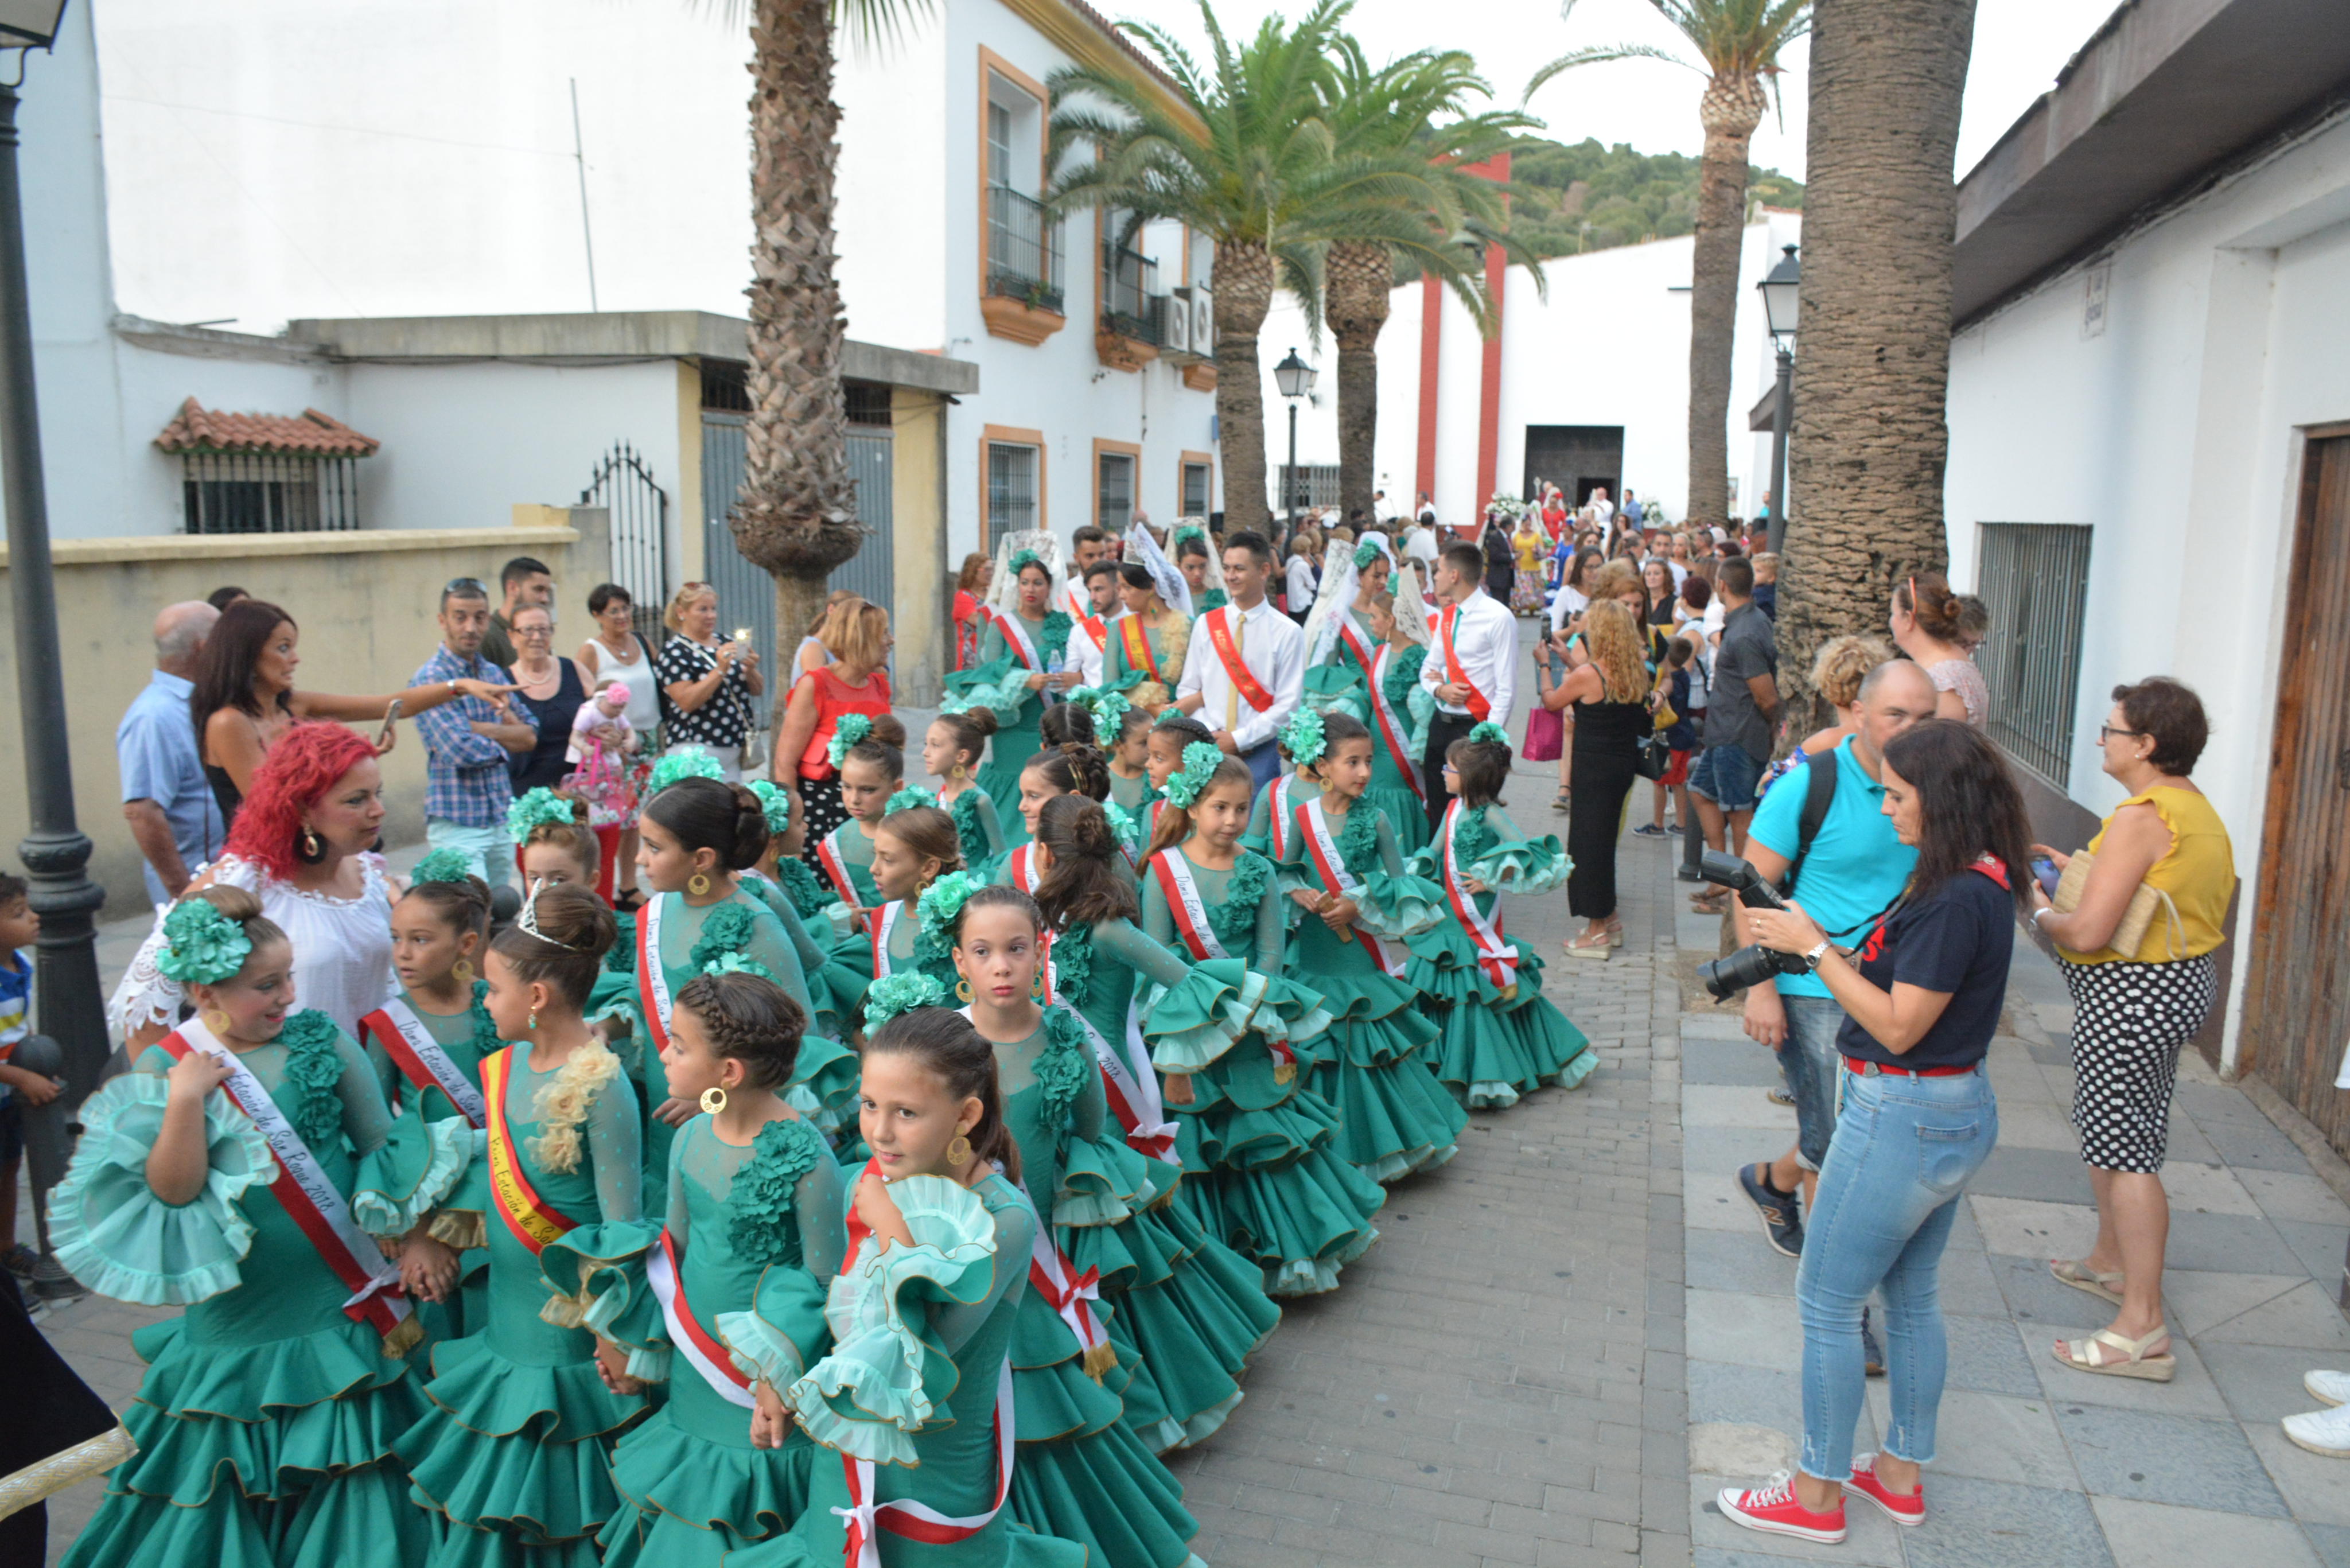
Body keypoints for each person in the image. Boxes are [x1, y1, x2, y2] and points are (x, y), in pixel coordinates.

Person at [52, 885, 466, 1568]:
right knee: (222, 1470)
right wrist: (186, 1100)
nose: (286, 997)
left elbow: (382, 1143)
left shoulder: (321, 1040)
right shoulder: (165, 1065)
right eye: (265, 987)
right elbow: (174, 1191)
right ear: (204, 992)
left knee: (355, 1465)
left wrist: (418, 1234)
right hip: (238, 1313)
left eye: (288, 979)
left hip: (335, 1303)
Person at [1718, 719, 2028, 1544]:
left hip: (1905, 1115)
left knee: (1826, 1301)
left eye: (1896, 796)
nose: (1886, 808)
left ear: (1942, 800)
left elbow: (1897, 1025)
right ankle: (1898, 1476)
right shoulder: (1975, 877)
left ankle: (1816, 1494)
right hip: (1947, 1110)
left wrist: (1814, 948)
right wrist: (1811, 947)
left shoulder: (1954, 897)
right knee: (1911, 1294)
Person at [751, 1007, 1090, 1568]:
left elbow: (916, 1359)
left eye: (906, 1112)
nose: (880, 1132)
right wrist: (778, 1374)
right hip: (847, 1452)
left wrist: (888, 1224)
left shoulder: (1003, 1219)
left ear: (966, 1114)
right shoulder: (869, 1179)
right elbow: (829, 1296)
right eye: (869, 1105)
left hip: (936, 1472)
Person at [939, 886, 1207, 1568]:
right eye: (982, 952)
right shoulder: (941, 1044)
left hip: (1042, 1250)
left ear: (1041, 952)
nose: (1001, 966)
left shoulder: (1064, 1033)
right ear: (959, 961)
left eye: (1016, 949)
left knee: (1045, 1389)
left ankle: (1067, 1524)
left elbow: (1089, 1131)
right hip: (960, 1253)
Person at [395, 882, 653, 1566]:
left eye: (493, 989)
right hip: (506, 1322)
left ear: (535, 997)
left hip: (573, 1343)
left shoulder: (603, 1086)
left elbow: (622, 1229)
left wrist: (613, 1336)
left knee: (564, 1497)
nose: (484, 1001)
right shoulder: (501, 1067)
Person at [1024, 793, 1282, 1450]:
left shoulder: (1110, 931)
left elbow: (1189, 982)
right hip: (1064, 1094)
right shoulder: (1055, 923)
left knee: (1125, 1246)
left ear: (1048, 855)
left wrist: (1176, 1058)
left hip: (1110, 1097)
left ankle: (1162, 1381)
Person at [596, 972, 846, 1567]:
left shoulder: (809, 1160)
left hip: (765, 1394)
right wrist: (631, 1344)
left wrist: (779, 1378)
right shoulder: (691, 1137)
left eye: (679, 1046)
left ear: (728, 1072)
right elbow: (672, 1259)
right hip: (694, 1378)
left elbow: (826, 1288)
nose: (664, 1055)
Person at [2028, 678, 2234, 1382]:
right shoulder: (2191, 808)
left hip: (2131, 995)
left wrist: (2040, 910)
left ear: (2144, 745)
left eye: (2111, 730)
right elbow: (2156, 893)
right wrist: (2073, 871)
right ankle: (2111, 1262)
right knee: (2114, 1131)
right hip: (2172, 987)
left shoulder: (2142, 817)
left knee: (2128, 1151)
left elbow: (2087, 932)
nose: (2101, 740)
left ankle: (2141, 1326)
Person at [1138, 749, 1386, 1292]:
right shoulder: (1163, 870)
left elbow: (1272, 951)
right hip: (1190, 1033)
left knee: (1263, 1136)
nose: (1231, 820)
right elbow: (1159, 955)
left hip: (1251, 1026)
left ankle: (1283, 1248)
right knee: (1199, 1143)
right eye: (1219, 807)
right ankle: (1211, 1268)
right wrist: (1201, 1014)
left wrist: (1249, 1004)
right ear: (1192, 806)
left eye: (1241, 808)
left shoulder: (1258, 868)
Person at [1731, 659, 1939, 1262]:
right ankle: (1834, 1293)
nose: (1912, 729)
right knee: (1839, 1146)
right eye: (1896, 714)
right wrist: (1761, 989)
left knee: (1858, 1130)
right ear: (1858, 713)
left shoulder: (1940, 788)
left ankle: (1772, 1181)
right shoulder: (1809, 784)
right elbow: (1751, 888)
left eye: (1925, 717)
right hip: (1815, 992)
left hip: (1903, 991)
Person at [112, 722, 398, 1043]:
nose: (378, 810)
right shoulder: (244, 880)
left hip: (365, 1070)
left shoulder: (367, 874)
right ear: (302, 809)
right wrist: (171, 1076)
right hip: (276, 1072)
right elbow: (144, 1003)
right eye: (356, 800)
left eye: (377, 794)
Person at [1270, 712, 1466, 1180]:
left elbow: (1401, 884)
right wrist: (1300, 892)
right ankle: (1323, 1146)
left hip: (1357, 953)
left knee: (1365, 1039)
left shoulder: (1376, 818)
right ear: (1323, 765)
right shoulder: (1303, 816)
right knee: (1319, 1040)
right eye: (1352, 762)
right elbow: (1285, 872)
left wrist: (1357, 903)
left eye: (1369, 761)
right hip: (1315, 950)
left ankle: (1382, 1142)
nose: (1364, 772)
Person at [625, 775, 819, 1213]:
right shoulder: (654, 912)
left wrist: (714, 1097)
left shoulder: (757, 925)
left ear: (702, 858)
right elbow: (644, 998)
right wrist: (609, 1025)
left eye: (654, 847)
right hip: (665, 1113)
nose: (639, 859)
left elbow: (799, 1041)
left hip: (734, 1123)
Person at [192, 593, 511, 827]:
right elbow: (271, 807)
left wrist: (459, 686)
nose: (296, 658)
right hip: (268, 861)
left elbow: (393, 705)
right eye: (283, 648)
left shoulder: (294, 705)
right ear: (248, 656)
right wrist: (342, 756)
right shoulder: (228, 722)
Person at [1403, 724, 1595, 1107]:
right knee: (1450, 978)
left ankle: (1494, 1066)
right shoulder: (1453, 809)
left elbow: (1521, 849)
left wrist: (1492, 877)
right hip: (1449, 906)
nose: (1443, 772)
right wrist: (1412, 874)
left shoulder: (1490, 814)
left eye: (1449, 768)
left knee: (1474, 976)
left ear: (1470, 776)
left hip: (1476, 907)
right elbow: (1435, 849)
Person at [413, 581, 538, 890]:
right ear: (442, 620)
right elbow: (459, 750)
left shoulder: (492, 672)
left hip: (500, 815)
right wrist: (508, 736)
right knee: (471, 908)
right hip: (457, 821)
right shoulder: (430, 680)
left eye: (480, 618)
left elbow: (531, 734)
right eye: (460, 617)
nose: (471, 627)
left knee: (501, 906)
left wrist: (479, 727)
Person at [1544, 601, 1651, 959]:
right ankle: (1611, 920)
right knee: (1603, 846)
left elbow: (1552, 702)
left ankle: (1596, 933)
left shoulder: (1590, 673)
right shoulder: (1635, 671)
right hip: (1620, 768)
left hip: (1592, 770)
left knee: (1588, 849)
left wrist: (1545, 665)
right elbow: (1598, 692)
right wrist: (1570, 661)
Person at [942, 549, 1080, 820]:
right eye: (1025, 582)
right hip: (1015, 723)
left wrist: (1077, 677)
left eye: (1038, 583)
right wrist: (1024, 680)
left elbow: (1082, 662)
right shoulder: (1002, 625)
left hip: (1053, 721)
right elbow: (989, 674)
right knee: (1014, 788)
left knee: (1050, 784)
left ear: (1049, 587)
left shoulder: (1064, 623)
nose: (1031, 589)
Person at [1174, 531, 1306, 793]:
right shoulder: (1207, 624)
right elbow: (1188, 688)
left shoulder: (1288, 632)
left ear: (1264, 570)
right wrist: (1212, 734)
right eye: (1226, 568)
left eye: (1240, 569)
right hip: (1209, 747)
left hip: (1260, 752)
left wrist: (1239, 739)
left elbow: (1288, 705)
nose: (1231, 576)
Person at [119, 600, 225, 903]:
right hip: (195, 891)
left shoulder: (204, 703)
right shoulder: (155, 717)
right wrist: (185, 895)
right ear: (204, 648)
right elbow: (143, 812)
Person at [1688, 558, 1777, 909]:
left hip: (1738, 736)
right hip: (1723, 734)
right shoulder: (1749, 621)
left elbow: (1766, 697)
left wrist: (1769, 732)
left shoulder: (1744, 634)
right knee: (1700, 792)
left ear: (1722, 586)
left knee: (1741, 815)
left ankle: (1742, 897)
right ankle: (1721, 878)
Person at [772, 596, 893, 851]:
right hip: (820, 812)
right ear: (862, 639)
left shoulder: (879, 685)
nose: (891, 641)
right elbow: (785, 763)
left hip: (869, 813)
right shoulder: (816, 685)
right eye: (884, 633)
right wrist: (791, 828)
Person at [1418, 541, 1518, 835]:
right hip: (1441, 725)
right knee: (1438, 811)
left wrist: (1487, 740)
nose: (1435, 576)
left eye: (1439, 570)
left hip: (1474, 728)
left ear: (1454, 575)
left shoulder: (1499, 617)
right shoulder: (1448, 615)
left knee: (1473, 818)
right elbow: (1428, 669)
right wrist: (1440, 691)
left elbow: (1507, 689)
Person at [575, 583, 663, 903]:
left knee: (639, 817)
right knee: (615, 817)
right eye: (613, 611)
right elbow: (583, 701)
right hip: (613, 745)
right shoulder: (592, 650)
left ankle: (629, 885)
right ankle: (604, 885)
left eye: (626, 608)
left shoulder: (642, 642)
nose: (622, 616)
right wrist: (604, 735)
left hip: (648, 740)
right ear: (597, 615)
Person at [657, 581, 765, 779]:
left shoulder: (725, 642)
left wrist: (751, 669)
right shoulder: (674, 651)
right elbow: (687, 702)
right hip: (695, 751)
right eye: (703, 609)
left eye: (713, 609)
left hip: (733, 748)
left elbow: (757, 690)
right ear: (682, 612)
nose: (711, 615)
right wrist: (720, 670)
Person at [503, 602, 588, 794]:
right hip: (527, 796)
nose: (537, 637)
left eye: (544, 630)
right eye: (528, 630)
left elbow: (603, 715)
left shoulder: (574, 670)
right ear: (512, 637)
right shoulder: (502, 683)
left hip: (580, 791)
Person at [1890, 571, 1986, 727]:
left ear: (1908, 619)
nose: (1892, 622)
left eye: (1894, 614)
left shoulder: (1944, 682)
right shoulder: (1947, 667)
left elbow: (1939, 741)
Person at [925, 709, 1010, 871]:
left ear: (961, 756)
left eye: (935, 745)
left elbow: (1002, 857)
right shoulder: (938, 798)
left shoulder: (980, 800)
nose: (925, 753)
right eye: (926, 744)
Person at [1103, 560, 1192, 714]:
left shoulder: (1189, 626)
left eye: (1127, 588)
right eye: (1120, 588)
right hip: (1135, 721)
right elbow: (1109, 691)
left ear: (1151, 587)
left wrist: (1178, 709)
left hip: (1184, 717)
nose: (1121, 595)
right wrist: (1151, 709)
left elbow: (1204, 684)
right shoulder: (1119, 629)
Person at [1637, 637, 1698, 840]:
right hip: (1685, 735)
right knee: (1679, 782)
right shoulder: (1684, 676)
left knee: (1659, 781)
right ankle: (1681, 824)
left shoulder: (1671, 683)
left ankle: (1658, 824)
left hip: (1670, 739)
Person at [477, 553, 554, 669]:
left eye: (547, 592)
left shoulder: (540, 633)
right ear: (513, 588)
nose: (545, 599)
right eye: (539, 590)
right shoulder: (488, 637)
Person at [1069, 559, 1123, 688]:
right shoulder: (1080, 631)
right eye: (1090, 591)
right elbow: (1068, 680)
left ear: (1118, 588)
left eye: (1099, 590)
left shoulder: (1136, 623)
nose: (1092, 597)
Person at [799, 589, 859, 678]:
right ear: (831, 609)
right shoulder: (813, 648)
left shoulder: (835, 647)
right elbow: (817, 684)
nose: (853, 621)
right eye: (848, 614)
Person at [952, 551, 993, 671]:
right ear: (973, 571)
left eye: (992, 569)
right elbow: (978, 620)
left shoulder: (993, 594)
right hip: (971, 658)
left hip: (992, 653)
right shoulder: (963, 596)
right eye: (987, 570)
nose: (991, 573)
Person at [1510, 511, 1547, 615]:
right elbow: (1513, 550)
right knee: (1525, 589)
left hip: (1534, 567)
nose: (1528, 527)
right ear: (1522, 524)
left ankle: (1533, 607)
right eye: (1526, 524)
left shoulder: (1536, 536)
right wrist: (1516, 560)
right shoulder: (1517, 536)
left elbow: (1542, 551)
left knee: (1534, 589)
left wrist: (1537, 551)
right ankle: (1520, 606)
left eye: (1529, 524)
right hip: (1521, 566)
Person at [1284, 534, 1320, 625]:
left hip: (1292, 603)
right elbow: (1313, 585)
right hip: (1303, 603)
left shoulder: (1289, 561)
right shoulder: (1303, 565)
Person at [1751, 550, 1780, 620]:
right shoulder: (1776, 592)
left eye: (1759, 571)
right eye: (1752, 570)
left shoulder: (1759, 594)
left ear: (1771, 577)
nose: (1753, 574)